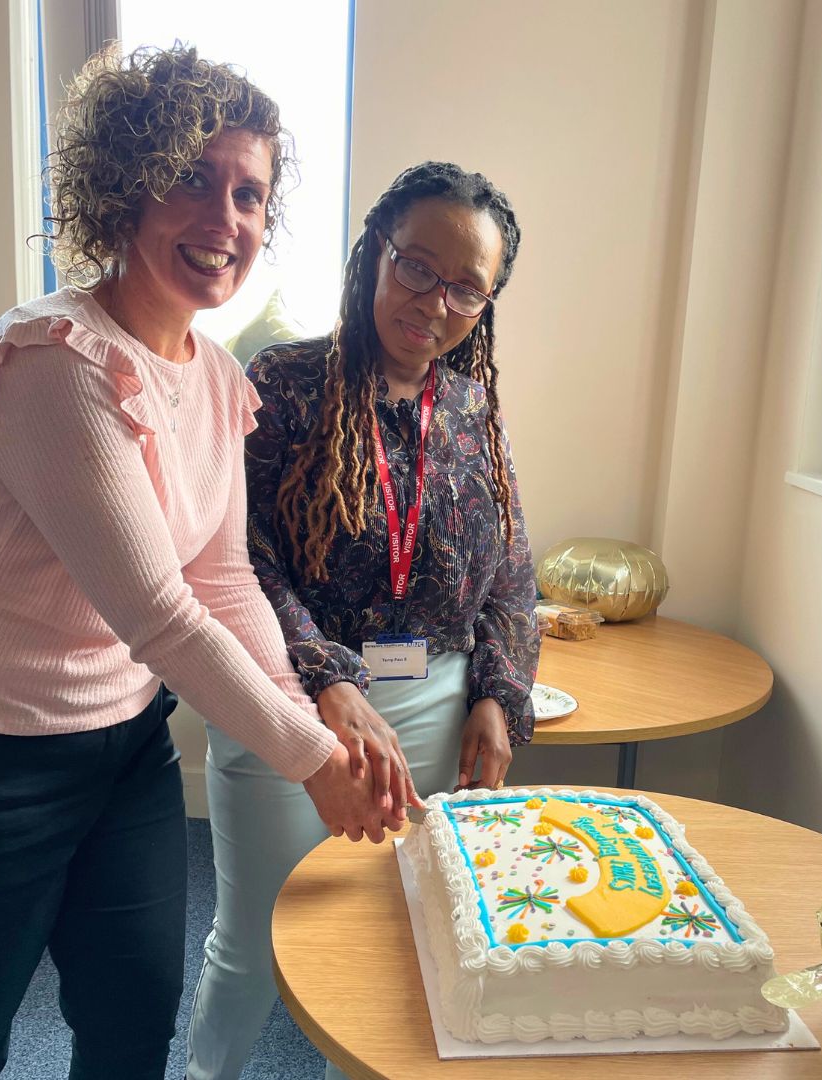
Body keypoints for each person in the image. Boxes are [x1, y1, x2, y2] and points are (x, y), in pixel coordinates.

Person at [0, 45, 411, 1080]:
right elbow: (161, 616)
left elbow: (223, 580)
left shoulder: (214, 377)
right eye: (191, 178)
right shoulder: (51, 360)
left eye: (249, 193)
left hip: (122, 748)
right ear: (122, 187)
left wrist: (325, 695)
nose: (226, 219)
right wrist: (312, 758)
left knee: (129, 1025)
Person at [187, 162, 540, 1080]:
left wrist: (500, 696)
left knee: (402, 934)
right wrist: (328, 679)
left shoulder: (473, 408)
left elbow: (510, 571)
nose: (436, 302)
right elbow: (243, 560)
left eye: (468, 287)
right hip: (290, 706)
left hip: (433, 706)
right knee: (256, 930)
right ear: (375, 256)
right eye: (418, 267)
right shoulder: (285, 383)